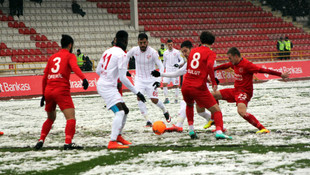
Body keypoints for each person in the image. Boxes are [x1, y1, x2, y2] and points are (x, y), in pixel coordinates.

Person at [211, 47, 290, 134]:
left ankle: (262, 128)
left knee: (241, 112)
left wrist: (280, 74)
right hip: (235, 91)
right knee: (212, 95)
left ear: (236, 56)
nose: (229, 60)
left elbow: (263, 70)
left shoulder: (247, 65)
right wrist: (213, 69)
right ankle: (218, 125)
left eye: (230, 58)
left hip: (244, 92)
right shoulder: (234, 63)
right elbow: (225, 65)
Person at [34, 34, 89, 150]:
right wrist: (83, 78)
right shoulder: (70, 56)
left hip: (49, 90)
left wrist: (43, 95)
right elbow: (75, 67)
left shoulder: (52, 57)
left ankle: (41, 140)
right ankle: (68, 143)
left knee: (50, 118)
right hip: (61, 90)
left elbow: (44, 78)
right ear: (70, 45)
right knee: (70, 118)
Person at [96, 30, 146, 149]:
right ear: (125, 41)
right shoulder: (123, 54)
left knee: (125, 110)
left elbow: (98, 70)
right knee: (120, 112)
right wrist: (137, 92)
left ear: (116, 40)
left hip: (105, 84)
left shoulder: (107, 51)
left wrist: (110, 75)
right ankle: (112, 141)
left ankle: (118, 136)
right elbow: (123, 78)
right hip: (107, 87)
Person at [152, 40, 213, 133]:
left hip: (202, 89)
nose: (184, 54)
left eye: (186, 51)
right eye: (183, 52)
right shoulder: (189, 62)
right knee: (199, 111)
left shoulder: (198, 59)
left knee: (210, 108)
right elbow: (177, 73)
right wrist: (160, 74)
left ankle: (180, 126)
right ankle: (216, 123)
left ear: (191, 49)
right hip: (195, 88)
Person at [181, 31, 232, 139]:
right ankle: (218, 132)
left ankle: (191, 130)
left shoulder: (193, 51)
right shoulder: (211, 53)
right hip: (198, 86)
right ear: (212, 42)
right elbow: (209, 66)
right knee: (216, 110)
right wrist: (213, 81)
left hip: (186, 85)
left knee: (189, 105)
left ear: (200, 40)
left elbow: (189, 68)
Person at [127, 33, 170, 127]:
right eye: (141, 43)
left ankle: (165, 111)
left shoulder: (153, 52)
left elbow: (161, 67)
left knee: (154, 100)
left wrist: (158, 80)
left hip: (151, 80)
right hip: (139, 80)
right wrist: (125, 69)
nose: (143, 45)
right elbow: (125, 57)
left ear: (147, 42)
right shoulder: (134, 50)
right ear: (138, 42)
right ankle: (148, 121)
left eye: (144, 42)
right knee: (139, 97)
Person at [162, 39, 184, 104]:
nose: (170, 46)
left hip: (175, 71)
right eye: (169, 45)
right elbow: (164, 62)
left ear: (173, 44)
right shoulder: (165, 53)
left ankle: (176, 99)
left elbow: (182, 60)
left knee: (176, 85)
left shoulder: (177, 52)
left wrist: (178, 64)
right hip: (168, 71)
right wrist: (162, 70)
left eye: (171, 44)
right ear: (167, 45)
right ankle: (166, 98)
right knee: (164, 84)